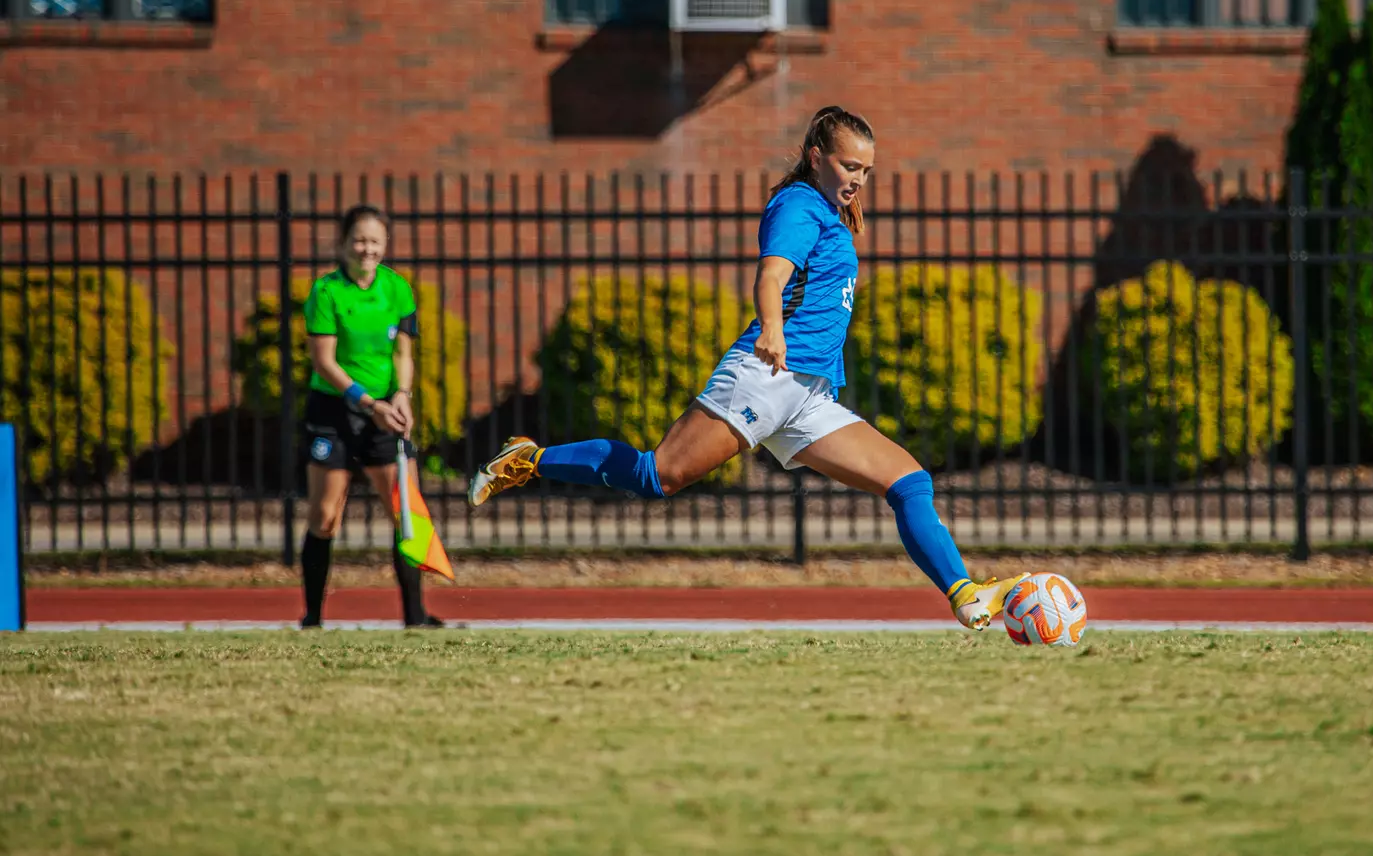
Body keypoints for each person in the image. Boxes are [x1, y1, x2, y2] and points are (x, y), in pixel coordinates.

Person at [466, 106, 1029, 629]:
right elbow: (770, 277)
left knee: (908, 482)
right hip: (767, 375)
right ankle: (530, 459)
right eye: (848, 165)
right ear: (816, 155)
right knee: (656, 476)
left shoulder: (829, 210)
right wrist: (773, 330)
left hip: (808, 395)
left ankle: (964, 592)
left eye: (867, 170)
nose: (859, 178)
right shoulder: (798, 206)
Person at [298, 204, 443, 629]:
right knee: (325, 517)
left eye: (375, 241)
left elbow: (403, 353)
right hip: (335, 412)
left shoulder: (397, 289)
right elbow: (325, 363)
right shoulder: (326, 292)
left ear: (386, 245)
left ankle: (416, 619)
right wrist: (369, 404)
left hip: (385, 411)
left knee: (407, 513)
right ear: (343, 244)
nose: (367, 249)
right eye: (359, 240)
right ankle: (313, 619)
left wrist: (401, 396)